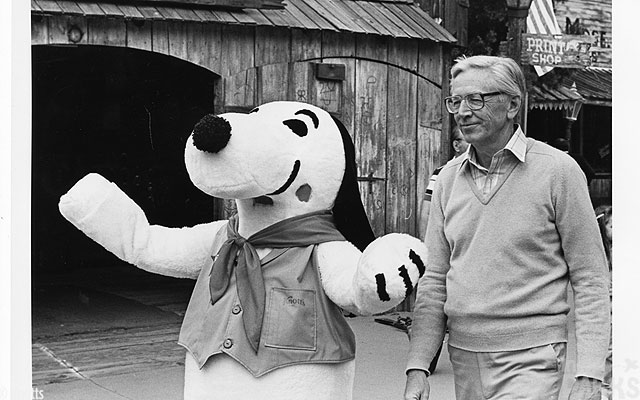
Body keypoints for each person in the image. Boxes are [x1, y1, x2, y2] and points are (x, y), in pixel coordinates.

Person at [404, 55, 610, 400]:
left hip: (533, 354)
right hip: (464, 355)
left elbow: (590, 277)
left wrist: (589, 372)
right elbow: (435, 278)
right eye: (456, 101)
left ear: (513, 104)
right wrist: (418, 366)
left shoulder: (558, 171)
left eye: (477, 99)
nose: (463, 111)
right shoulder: (448, 179)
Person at [417, 126, 468, 241]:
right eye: (469, 140)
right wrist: (425, 246)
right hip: (446, 242)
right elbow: (427, 211)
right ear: (456, 145)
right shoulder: (441, 173)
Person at [595, 204, 612, 400]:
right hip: (605, 308)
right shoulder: (601, 255)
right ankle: (605, 390)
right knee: (607, 350)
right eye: (610, 226)